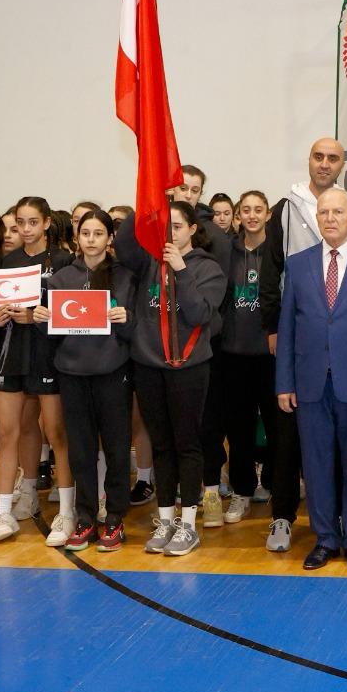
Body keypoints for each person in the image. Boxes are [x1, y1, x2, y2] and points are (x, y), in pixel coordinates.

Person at [274, 188, 347, 571]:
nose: (330, 218)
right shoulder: (297, 265)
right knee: (316, 464)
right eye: (324, 212)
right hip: (310, 383)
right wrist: (284, 382)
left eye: (337, 212)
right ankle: (325, 538)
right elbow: (287, 329)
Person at [116, 201, 227, 557]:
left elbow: (199, 313)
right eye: (166, 227)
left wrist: (180, 269)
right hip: (149, 365)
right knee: (161, 444)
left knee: (186, 444)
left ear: (193, 229)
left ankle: (189, 524)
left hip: (188, 368)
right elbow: (122, 243)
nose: (171, 233)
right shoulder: (148, 260)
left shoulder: (208, 268)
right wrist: (146, 202)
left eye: (177, 226)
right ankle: (165, 519)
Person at [36, 209, 134, 553]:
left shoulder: (125, 275)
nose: (91, 240)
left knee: (117, 449)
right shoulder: (62, 278)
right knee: (80, 450)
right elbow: (51, 332)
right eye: (86, 233)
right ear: (77, 237)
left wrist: (126, 318)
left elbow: (136, 328)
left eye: (98, 233)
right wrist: (42, 319)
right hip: (73, 375)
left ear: (110, 238)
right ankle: (86, 518)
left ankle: (115, 517)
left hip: (113, 372)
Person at [0, 196, 76, 545]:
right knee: (8, 431)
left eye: (32, 222)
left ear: (47, 223)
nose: (25, 229)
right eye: (20, 223)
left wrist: (40, 317)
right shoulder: (8, 261)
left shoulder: (64, 261)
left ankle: (66, 511)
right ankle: (4, 511)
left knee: (56, 433)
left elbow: (71, 314)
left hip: (49, 356)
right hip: (13, 355)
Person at [210, 190, 279, 531]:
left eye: (258, 209)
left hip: (270, 355)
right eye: (246, 210)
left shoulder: (278, 253)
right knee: (238, 429)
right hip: (233, 355)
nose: (252, 215)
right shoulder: (225, 252)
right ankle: (242, 491)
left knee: (276, 426)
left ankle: (275, 487)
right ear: (238, 216)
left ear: (268, 215)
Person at [268, 138, 347, 267]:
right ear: (309, 160)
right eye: (318, 157)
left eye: (332, 159)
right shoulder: (286, 207)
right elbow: (270, 269)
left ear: (342, 166)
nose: (324, 165)